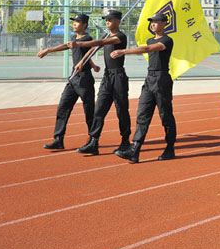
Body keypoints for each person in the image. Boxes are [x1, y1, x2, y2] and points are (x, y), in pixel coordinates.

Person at [112, 12, 176, 163]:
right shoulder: (149, 39)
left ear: (164, 23)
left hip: (162, 79)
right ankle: (135, 149)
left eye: (156, 21)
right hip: (149, 79)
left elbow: (147, 49)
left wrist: (123, 51)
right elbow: (147, 47)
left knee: (166, 116)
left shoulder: (167, 40)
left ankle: (170, 148)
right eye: (152, 21)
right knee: (142, 114)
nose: (153, 24)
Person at [67, 9, 130, 156]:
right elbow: (93, 48)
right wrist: (82, 61)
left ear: (118, 21)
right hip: (107, 77)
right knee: (99, 110)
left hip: (118, 77)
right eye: (106, 19)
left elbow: (100, 42)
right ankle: (93, 142)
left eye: (110, 19)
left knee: (121, 110)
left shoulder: (120, 36)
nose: (107, 22)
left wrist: (79, 44)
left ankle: (125, 141)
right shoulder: (106, 34)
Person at [38, 13, 100, 150]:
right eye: (74, 21)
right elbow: (67, 47)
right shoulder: (73, 38)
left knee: (89, 111)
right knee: (63, 107)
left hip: (84, 79)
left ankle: (93, 141)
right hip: (73, 78)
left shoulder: (88, 39)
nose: (74, 24)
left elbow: (91, 50)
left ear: (84, 25)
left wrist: (86, 64)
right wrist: (48, 50)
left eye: (78, 22)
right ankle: (58, 140)